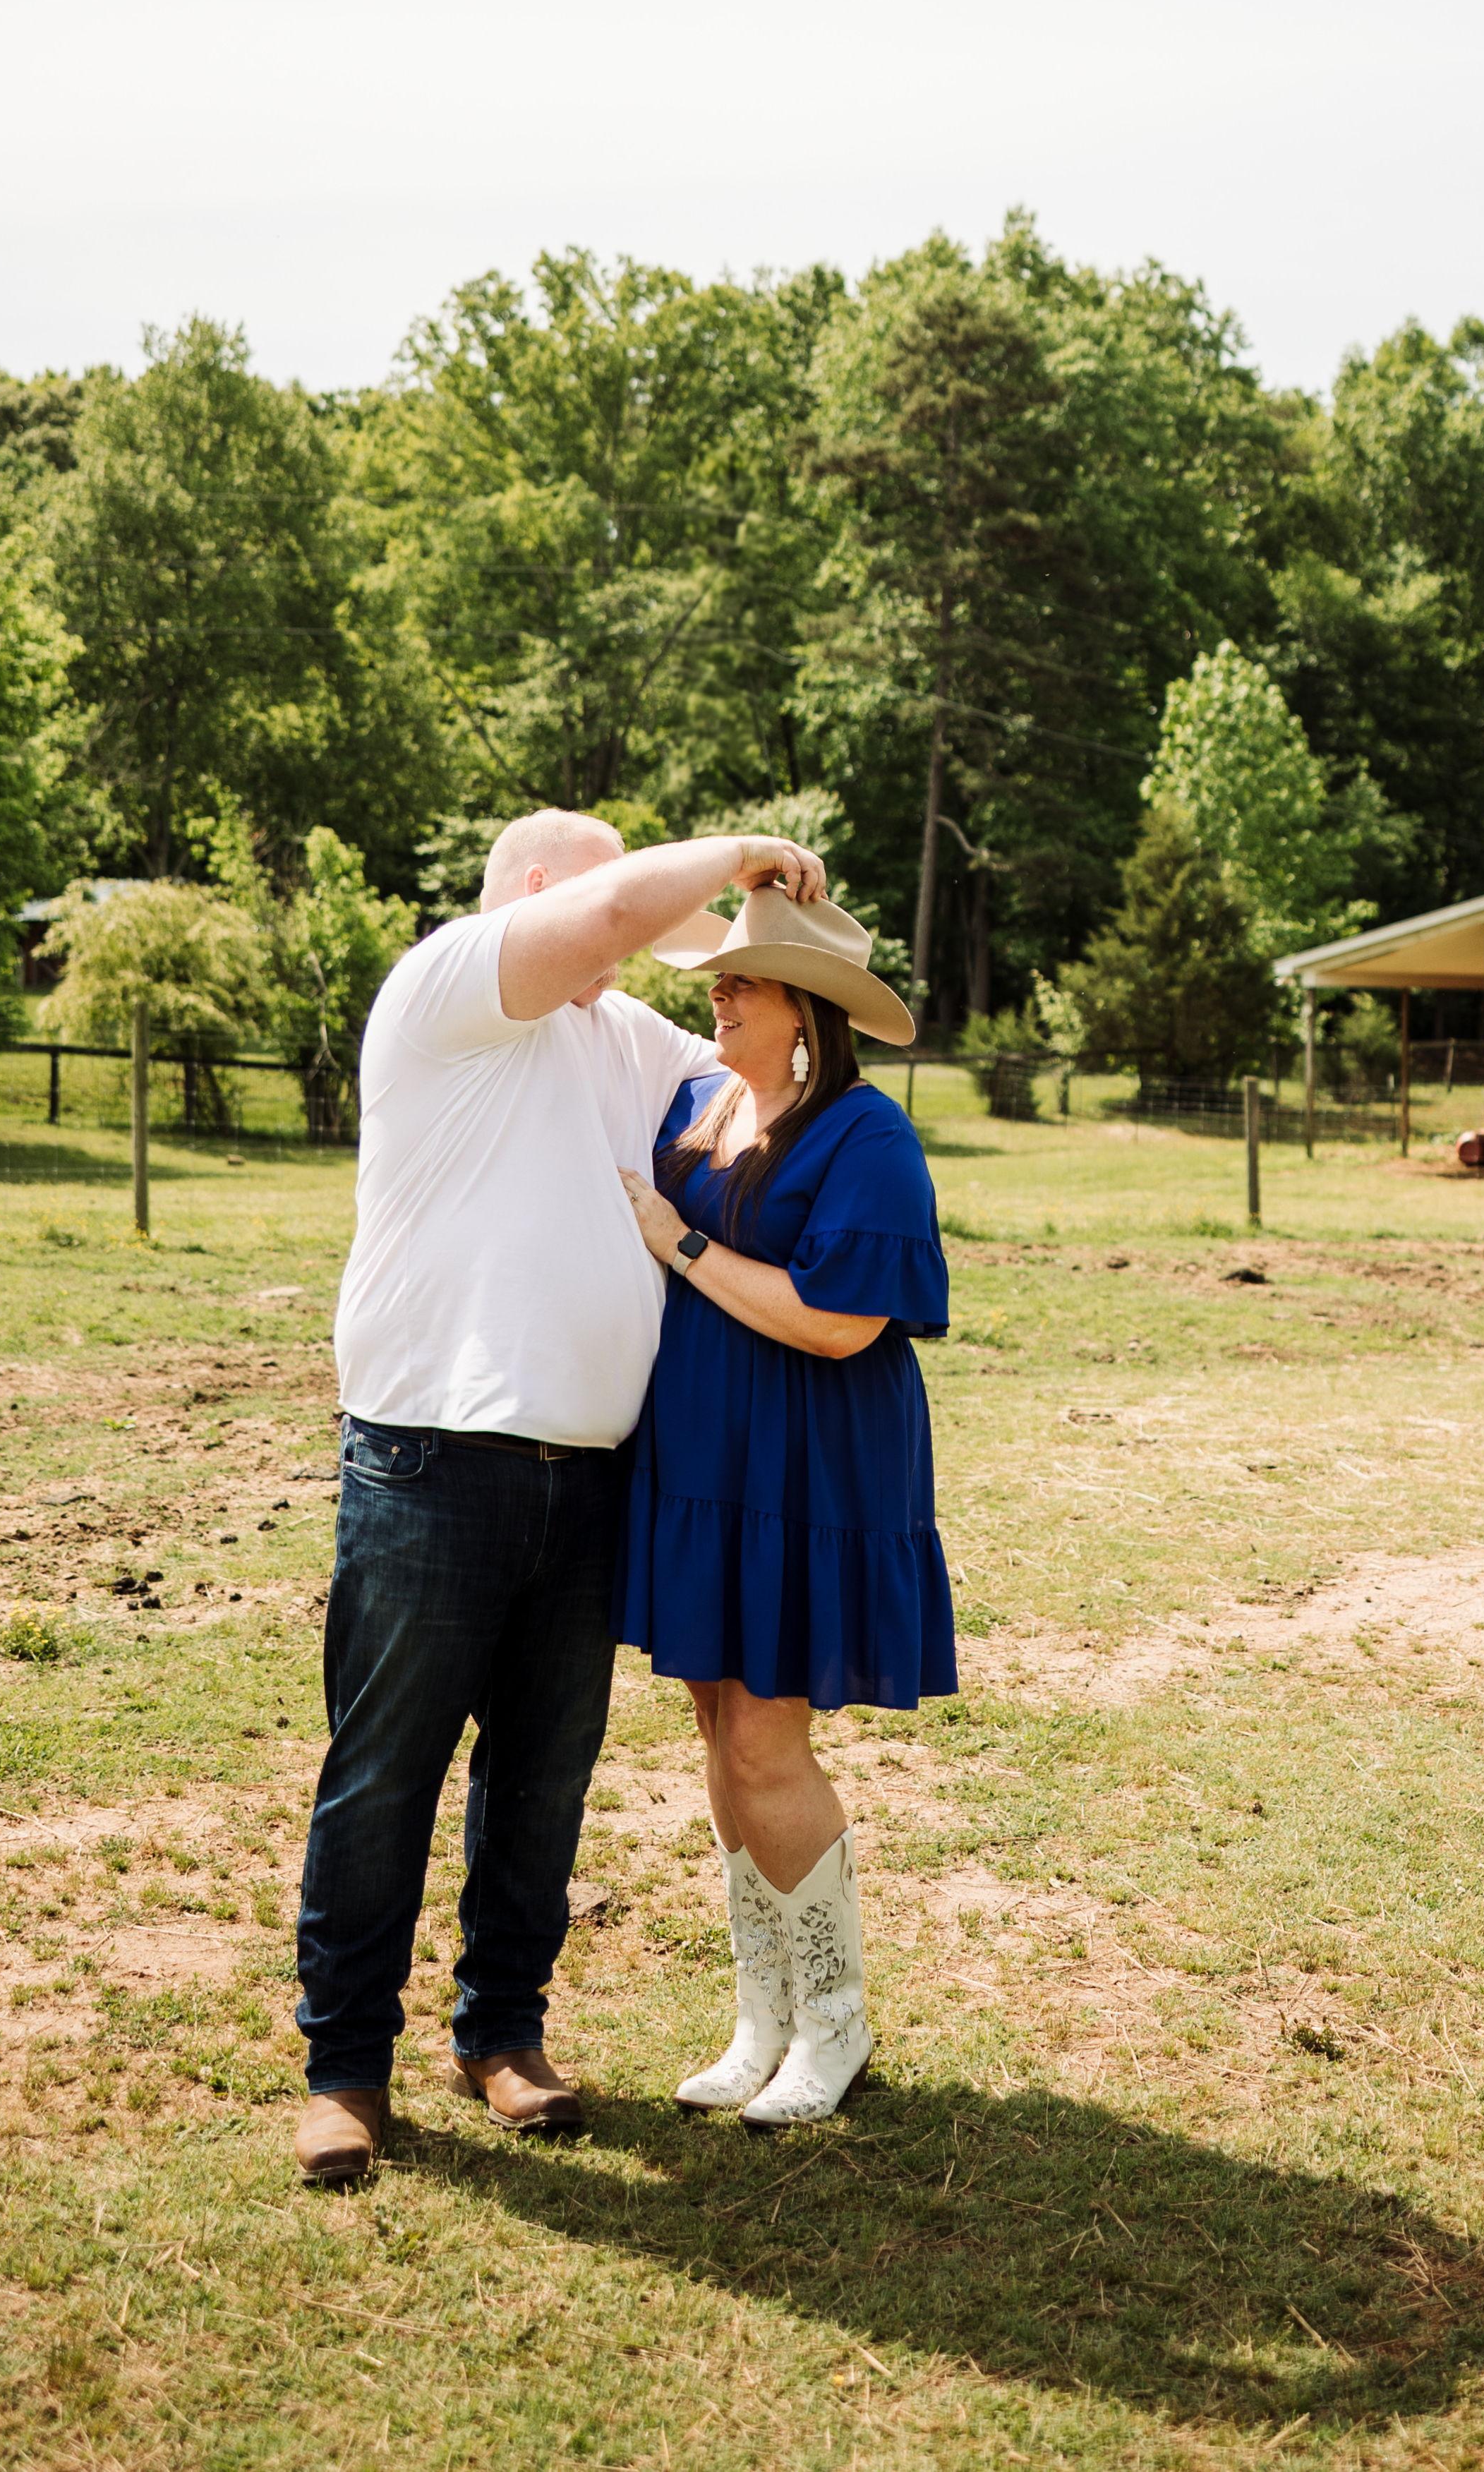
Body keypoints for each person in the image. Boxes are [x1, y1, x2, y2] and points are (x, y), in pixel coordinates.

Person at [289, 812, 830, 2190]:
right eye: (613, 903)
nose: (634, 937)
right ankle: (346, 2069)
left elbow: (778, 1063)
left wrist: (772, 918)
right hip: (431, 1464)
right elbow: (601, 926)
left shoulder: (623, 1042)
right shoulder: (454, 983)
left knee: (540, 1785)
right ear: (534, 891)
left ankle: (503, 2037)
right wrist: (741, 847)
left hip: (590, 1477)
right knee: (384, 1776)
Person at [613, 888, 955, 2127]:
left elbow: (841, 1319)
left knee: (765, 1740)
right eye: (719, 976)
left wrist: (683, 1248)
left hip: (808, 1469)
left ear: (805, 1010)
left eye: (742, 981)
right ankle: (762, 2016)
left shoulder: (867, 1137)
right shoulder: (704, 1109)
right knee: (717, 1729)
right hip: (703, 1464)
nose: (719, 994)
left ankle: (836, 2019)